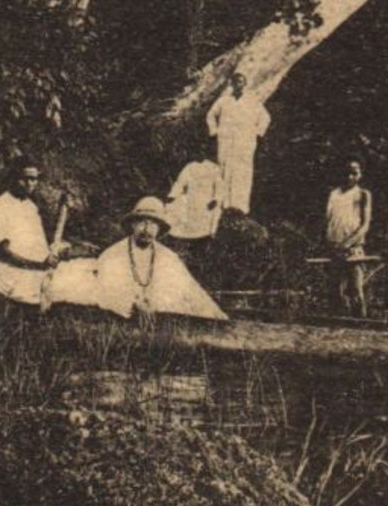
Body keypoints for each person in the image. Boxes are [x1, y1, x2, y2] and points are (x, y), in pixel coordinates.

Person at [93, 197, 227, 322]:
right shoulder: (113, 255)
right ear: (132, 224)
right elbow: (106, 291)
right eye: (142, 222)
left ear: (159, 228)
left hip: (161, 324)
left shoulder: (168, 257)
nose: (147, 229)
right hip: (121, 323)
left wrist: (218, 315)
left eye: (153, 224)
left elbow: (192, 291)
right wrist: (132, 303)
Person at [0, 158, 67, 305]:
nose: (30, 184)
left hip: (35, 272)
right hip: (14, 280)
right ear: (13, 178)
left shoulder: (29, 206)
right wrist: (41, 265)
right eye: (24, 179)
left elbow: (36, 246)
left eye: (34, 179)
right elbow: (4, 254)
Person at [205, 73, 270, 214]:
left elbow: (265, 117)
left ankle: (240, 206)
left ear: (245, 84)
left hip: (244, 143)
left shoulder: (252, 101)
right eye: (236, 82)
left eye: (241, 82)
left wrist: (258, 133)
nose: (238, 85)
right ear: (232, 84)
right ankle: (222, 203)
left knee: (243, 172)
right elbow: (210, 115)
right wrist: (214, 132)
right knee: (224, 170)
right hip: (226, 142)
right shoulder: (223, 101)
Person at [325, 159, 374, 316]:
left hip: (353, 248)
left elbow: (365, 225)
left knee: (356, 289)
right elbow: (329, 220)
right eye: (347, 173)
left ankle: (362, 323)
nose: (350, 177)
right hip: (334, 247)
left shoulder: (363, 194)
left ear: (360, 174)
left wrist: (348, 243)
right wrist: (331, 242)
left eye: (354, 173)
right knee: (336, 290)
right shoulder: (334, 194)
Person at [165, 158, 224, 240]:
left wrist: (215, 199)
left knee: (212, 213)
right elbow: (180, 182)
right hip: (192, 199)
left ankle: (206, 234)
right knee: (179, 205)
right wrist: (172, 195)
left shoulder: (213, 168)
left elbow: (219, 188)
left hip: (207, 201)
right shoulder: (190, 166)